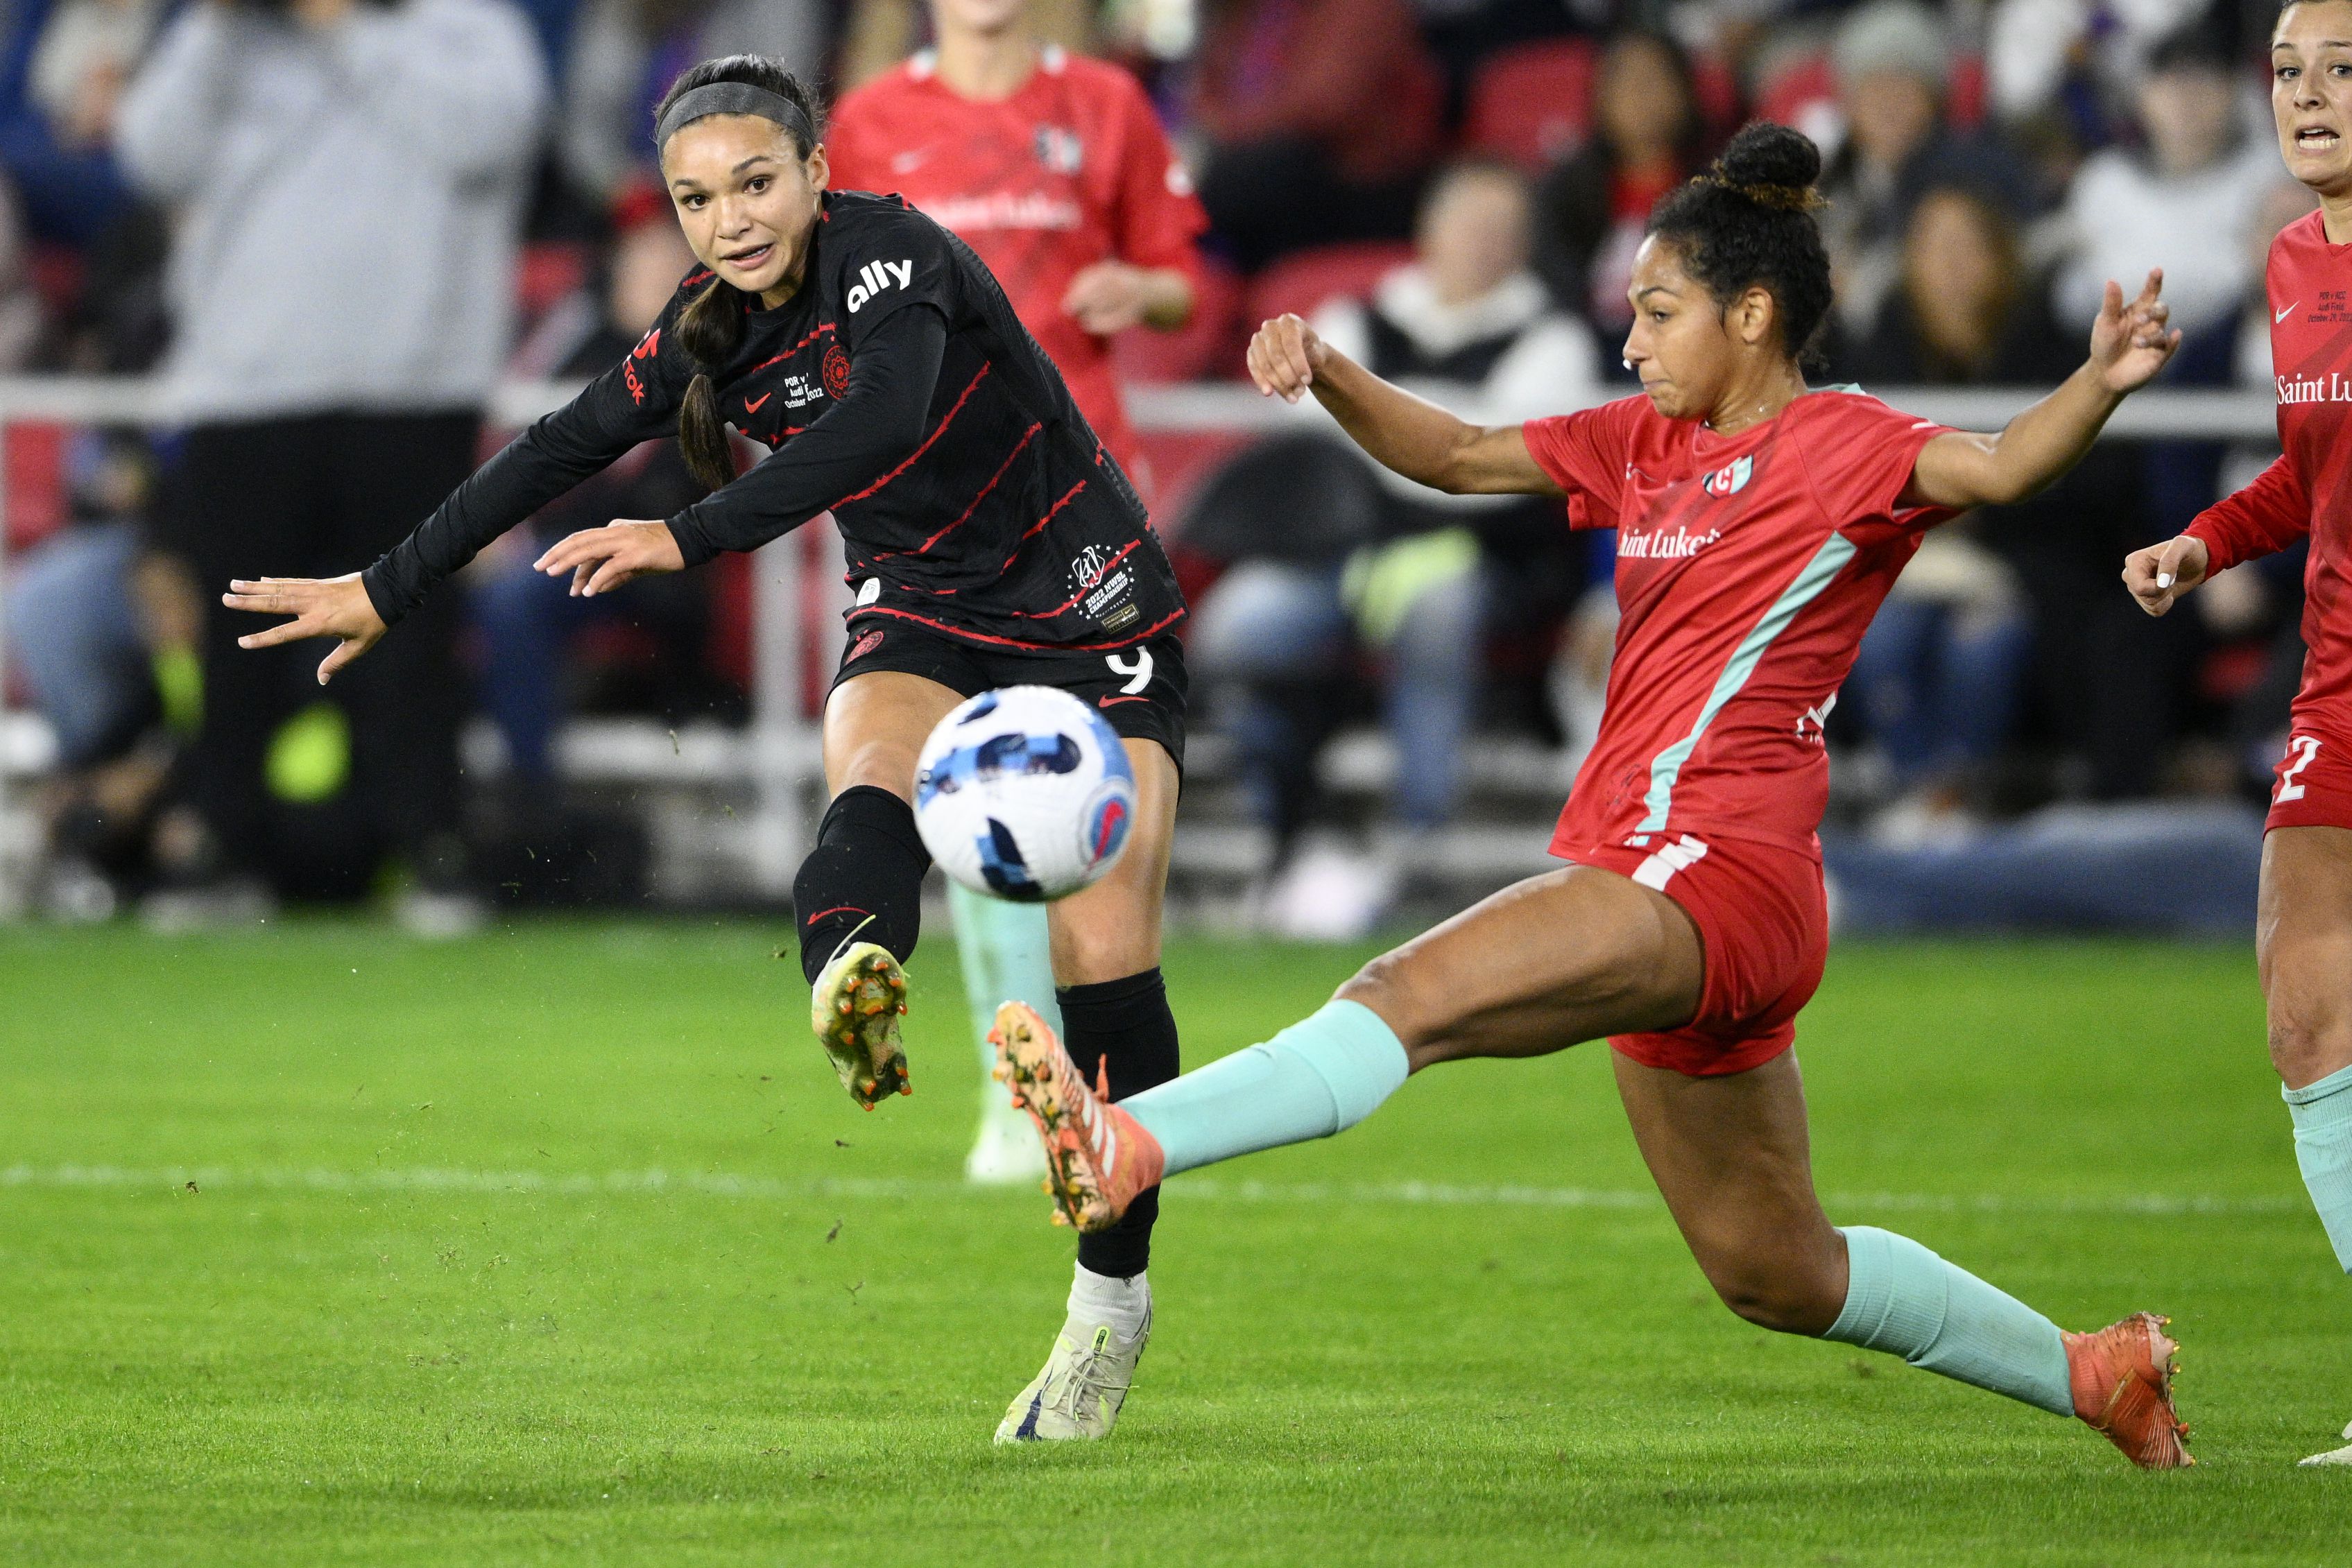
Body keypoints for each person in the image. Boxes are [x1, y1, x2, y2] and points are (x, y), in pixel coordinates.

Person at [989, 120, 2196, 1470]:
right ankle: (2093, 1374)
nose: (1630, 341)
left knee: (1403, 996)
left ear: (1751, 313)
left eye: (1656, 311)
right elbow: (1453, 454)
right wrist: (1331, 371)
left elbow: (2002, 462)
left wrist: (2097, 380)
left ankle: (1132, 1138)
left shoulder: (1841, 441)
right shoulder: (1641, 440)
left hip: (1710, 865)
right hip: (1672, 879)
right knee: (1776, 1270)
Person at [218, 56, 1191, 1447]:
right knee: (865, 769)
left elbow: (888, 417)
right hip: (921, 597)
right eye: (695, 197)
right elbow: (555, 445)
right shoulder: (706, 330)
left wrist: (687, 529)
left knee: (1106, 953)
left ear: (810, 173)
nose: (729, 219)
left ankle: (1111, 1296)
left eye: (754, 182)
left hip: (1086, 591)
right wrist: (387, 583)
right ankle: (852, 976)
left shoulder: (892, 255)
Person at [823, 0, 1208, 1425]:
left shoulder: (1103, 104)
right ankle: (1003, 1079)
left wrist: (1128, 288)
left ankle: (1110, 1271)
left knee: (1097, 900)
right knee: (933, 789)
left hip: (1073, 517)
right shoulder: (863, 125)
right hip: (925, 533)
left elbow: (1185, 286)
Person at [115, 0, 549, 932]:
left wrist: (339, 26)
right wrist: (216, 30)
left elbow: (487, 136)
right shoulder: (220, 35)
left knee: (411, 641)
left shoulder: (465, 22)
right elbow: (150, 156)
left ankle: (432, 849)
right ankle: (219, 849)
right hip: (242, 389)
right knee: (238, 646)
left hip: (414, 384)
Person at [2122, 0, 2352, 1470]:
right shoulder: (2293, 259)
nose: (2307, 94)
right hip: (2337, 673)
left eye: (2341, 69)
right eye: (2288, 70)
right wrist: (2205, 542)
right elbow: (2306, 467)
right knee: (2302, 1016)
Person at [1186, 157, 1600, 936]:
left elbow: (1503, 469)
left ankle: (1422, 839)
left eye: (1500, 230)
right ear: (1427, 230)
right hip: (1337, 546)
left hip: (1473, 552)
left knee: (1437, 608)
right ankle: (1285, 820)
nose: (1481, 243)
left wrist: (1384, 433)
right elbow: (1309, 443)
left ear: (1522, 245)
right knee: (1237, 623)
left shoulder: (1552, 336)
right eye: (1467, 222)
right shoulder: (1354, 316)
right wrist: (1437, 439)